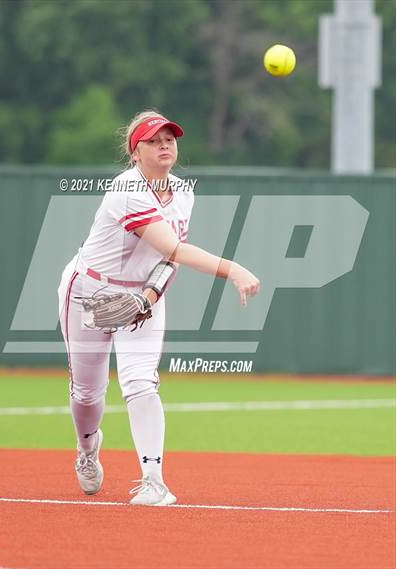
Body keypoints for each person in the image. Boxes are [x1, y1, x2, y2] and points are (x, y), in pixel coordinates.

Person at [58, 110, 260, 506]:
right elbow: (172, 247)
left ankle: (153, 480)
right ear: (135, 152)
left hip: (142, 298)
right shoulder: (127, 190)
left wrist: (146, 298)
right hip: (90, 293)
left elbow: (169, 261)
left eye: (170, 138)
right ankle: (87, 449)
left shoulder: (183, 192)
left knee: (140, 381)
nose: (165, 144)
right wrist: (232, 269)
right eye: (153, 140)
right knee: (87, 392)